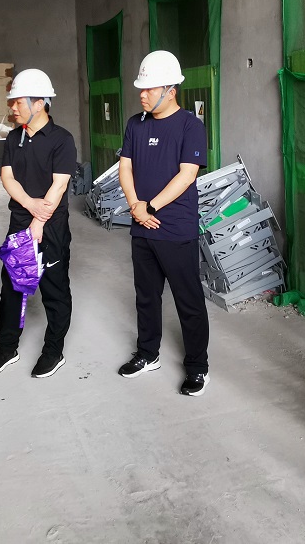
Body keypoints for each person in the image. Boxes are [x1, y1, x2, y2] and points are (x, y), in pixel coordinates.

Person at [116, 50, 210, 396]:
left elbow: (187, 175)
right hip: (141, 226)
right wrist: (135, 207)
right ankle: (147, 353)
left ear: (171, 90)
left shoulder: (190, 126)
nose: (142, 94)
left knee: (188, 301)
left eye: (149, 88)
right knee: (146, 296)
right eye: (141, 88)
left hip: (175, 228)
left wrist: (150, 206)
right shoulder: (135, 124)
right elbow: (125, 167)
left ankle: (197, 368)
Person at [0, 69, 77, 379]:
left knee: (54, 290)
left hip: (51, 227)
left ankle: (53, 351)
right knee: (11, 288)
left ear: (39, 103)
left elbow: (59, 185)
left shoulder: (62, 139)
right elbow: (7, 177)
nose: (12, 107)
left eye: (17, 102)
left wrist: (39, 221)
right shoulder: (14, 137)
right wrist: (29, 206)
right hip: (20, 222)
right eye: (11, 102)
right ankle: (7, 348)